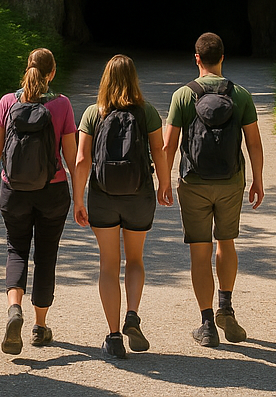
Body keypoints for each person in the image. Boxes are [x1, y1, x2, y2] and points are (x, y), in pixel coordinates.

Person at [163, 32, 265, 347]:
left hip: (193, 182)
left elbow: (168, 145)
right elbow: (254, 142)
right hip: (231, 181)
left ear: (197, 59)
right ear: (223, 58)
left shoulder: (183, 96)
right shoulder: (241, 95)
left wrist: (164, 180)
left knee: (199, 251)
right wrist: (258, 179)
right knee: (226, 243)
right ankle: (226, 305)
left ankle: (207, 324)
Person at [72, 54, 173, 359]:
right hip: (139, 195)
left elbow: (81, 159)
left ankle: (114, 335)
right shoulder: (147, 112)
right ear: (134, 78)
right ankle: (132, 314)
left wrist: (78, 198)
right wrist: (165, 185)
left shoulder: (93, 113)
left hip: (102, 196)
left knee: (108, 265)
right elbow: (159, 149)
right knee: (136, 260)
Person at [0, 47, 78, 355]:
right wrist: (79, 198)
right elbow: (72, 157)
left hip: (14, 190)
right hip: (53, 190)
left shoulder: (8, 102)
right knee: (46, 255)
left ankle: (14, 310)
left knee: (16, 248)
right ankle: (39, 327)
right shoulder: (62, 105)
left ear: (27, 69)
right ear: (52, 73)